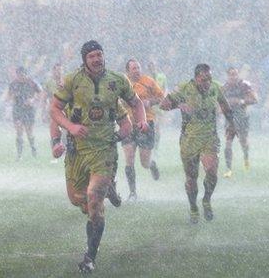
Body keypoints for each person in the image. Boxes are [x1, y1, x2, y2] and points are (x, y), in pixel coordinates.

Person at [50, 40, 148, 273]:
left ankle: (89, 257)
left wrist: (141, 120)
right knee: (78, 200)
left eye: (99, 54)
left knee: (94, 201)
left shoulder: (117, 80)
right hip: (77, 150)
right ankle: (109, 190)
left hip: (104, 149)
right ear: (84, 59)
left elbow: (136, 103)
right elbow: (54, 110)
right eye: (92, 56)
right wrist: (68, 130)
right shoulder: (72, 80)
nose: (97, 59)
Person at [160, 63, 234, 224]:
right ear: (196, 78)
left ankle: (206, 200)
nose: (207, 82)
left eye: (209, 78)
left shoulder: (215, 88)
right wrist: (179, 105)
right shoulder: (184, 88)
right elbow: (163, 104)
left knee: (212, 172)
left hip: (210, 138)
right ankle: (193, 207)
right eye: (203, 79)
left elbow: (225, 105)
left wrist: (232, 124)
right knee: (191, 177)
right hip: (189, 140)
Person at [122, 59, 165, 201]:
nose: (137, 70)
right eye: (133, 68)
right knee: (129, 157)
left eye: (138, 67)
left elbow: (161, 97)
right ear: (128, 71)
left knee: (144, 162)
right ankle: (132, 193)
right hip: (127, 123)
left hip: (146, 123)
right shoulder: (122, 83)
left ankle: (151, 164)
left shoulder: (148, 81)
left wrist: (149, 102)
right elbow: (115, 100)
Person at [222, 67, 257, 178]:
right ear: (227, 76)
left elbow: (255, 100)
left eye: (235, 74)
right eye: (231, 75)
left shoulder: (244, 85)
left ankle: (246, 157)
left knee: (243, 141)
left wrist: (240, 101)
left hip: (242, 117)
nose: (233, 77)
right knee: (228, 143)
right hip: (230, 119)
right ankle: (228, 169)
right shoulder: (224, 88)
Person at [8, 66, 42, 161]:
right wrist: (12, 97)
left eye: (22, 75)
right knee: (19, 131)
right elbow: (9, 96)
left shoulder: (32, 82)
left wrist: (33, 100)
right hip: (18, 109)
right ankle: (19, 154)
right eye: (19, 75)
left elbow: (40, 93)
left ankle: (33, 148)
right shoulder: (13, 84)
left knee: (29, 131)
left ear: (25, 74)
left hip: (29, 110)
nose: (21, 78)